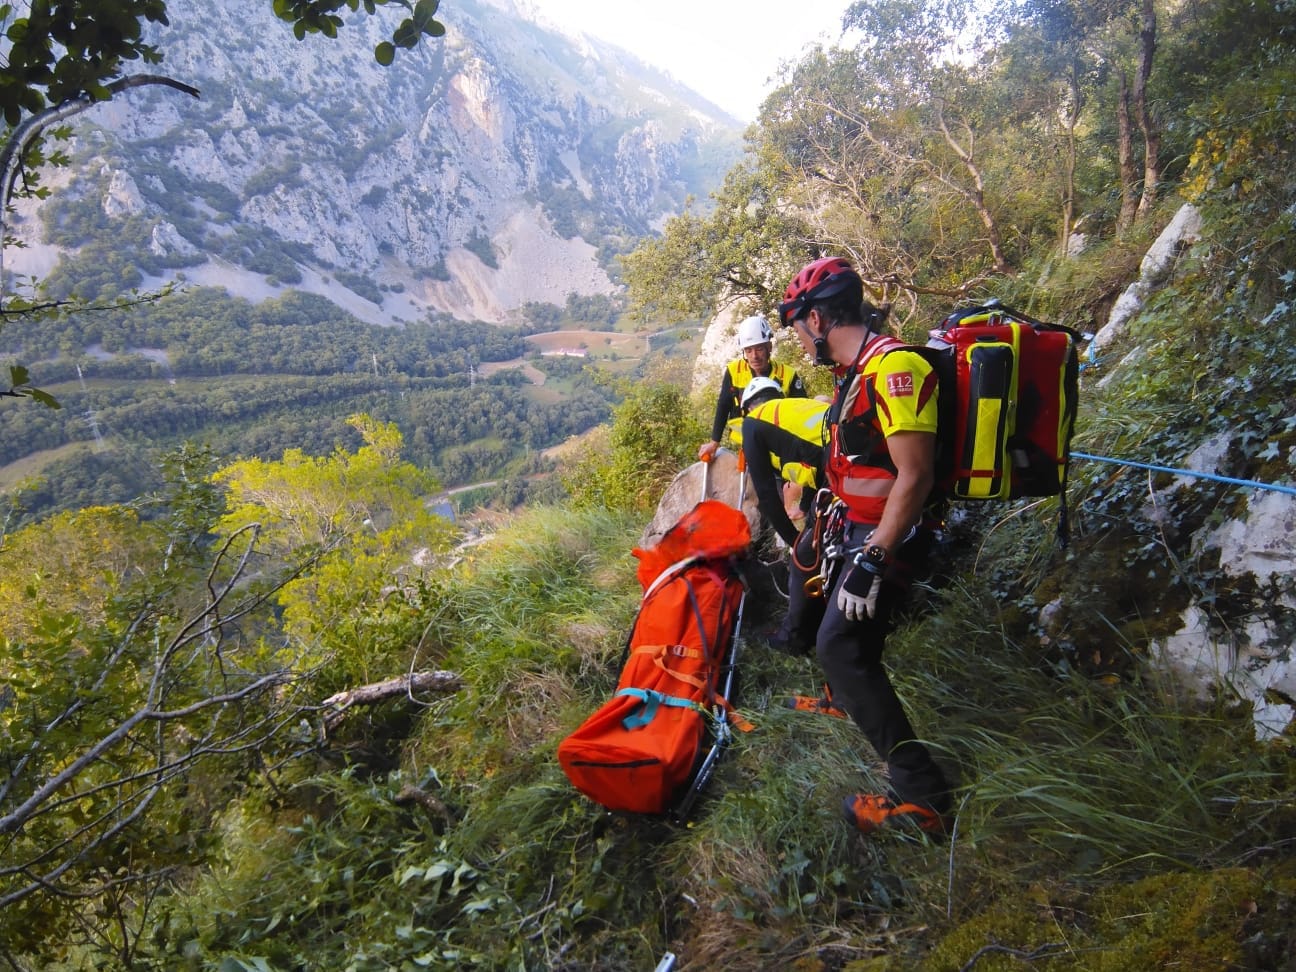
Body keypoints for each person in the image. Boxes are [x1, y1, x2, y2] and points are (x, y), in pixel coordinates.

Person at [776, 255, 953, 837]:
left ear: (819, 318)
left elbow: (915, 475)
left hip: (889, 536)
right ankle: (846, 698)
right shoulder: (853, 373)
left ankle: (921, 793)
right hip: (855, 527)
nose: (799, 339)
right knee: (841, 635)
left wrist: (873, 557)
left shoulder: (895, 368)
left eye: (799, 324)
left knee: (842, 648)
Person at [698, 314, 807, 462]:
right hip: (743, 444)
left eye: (759, 349)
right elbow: (723, 405)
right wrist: (714, 442)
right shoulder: (734, 371)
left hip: (779, 445)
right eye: (748, 350)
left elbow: (802, 413)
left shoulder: (787, 375)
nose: (754, 356)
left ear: (769, 347)